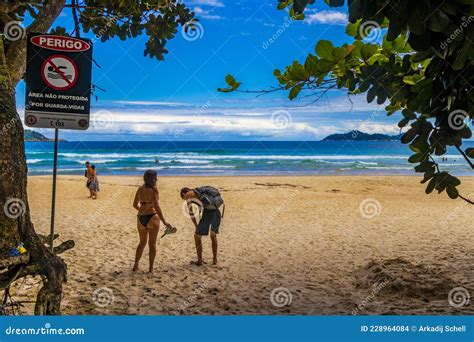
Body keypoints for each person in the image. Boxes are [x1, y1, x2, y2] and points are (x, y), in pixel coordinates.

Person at [133, 170, 172, 273]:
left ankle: (135, 265)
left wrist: (142, 211)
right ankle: (150, 269)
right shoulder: (154, 191)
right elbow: (157, 207)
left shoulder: (140, 189)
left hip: (140, 217)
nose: (157, 179)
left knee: (141, 243)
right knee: (152, 244)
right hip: (152, 217)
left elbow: (134, 204)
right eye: (155, 177)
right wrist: (164, 221)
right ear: (152, 179)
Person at [180, 186, 225, 266]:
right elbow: (201, 203)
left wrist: (196, 225)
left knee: (197, 236)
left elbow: (191, 213)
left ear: (184, 194)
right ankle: (215, 260)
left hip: (208, 212)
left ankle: (199, 261)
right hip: (217, 210)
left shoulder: (188, 195)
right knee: (213, 235)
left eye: (184, 198)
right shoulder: (198, 192)